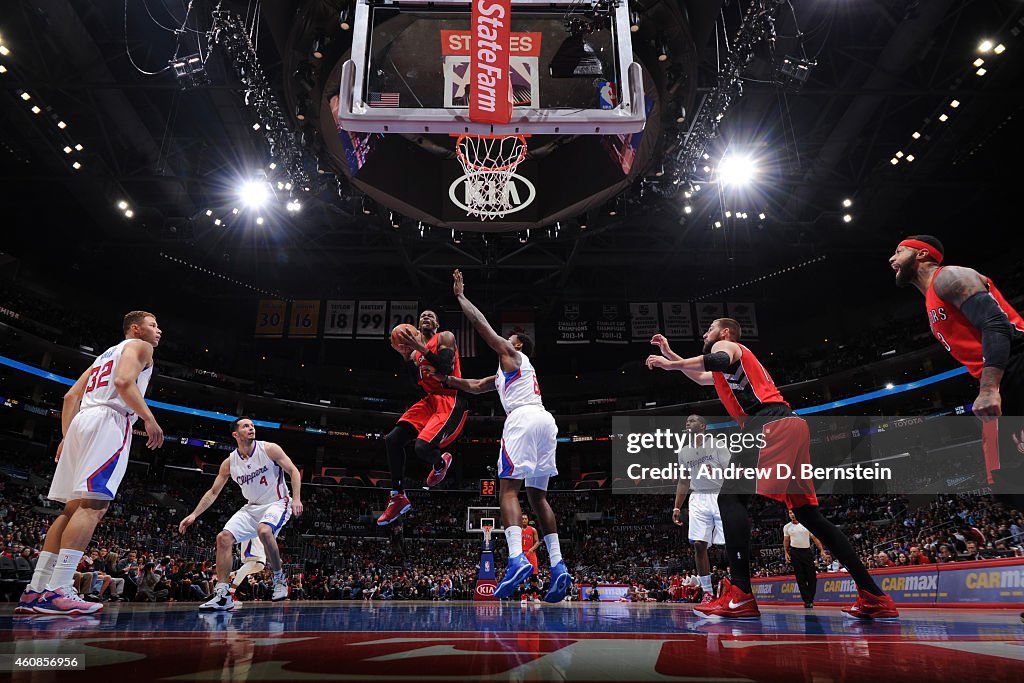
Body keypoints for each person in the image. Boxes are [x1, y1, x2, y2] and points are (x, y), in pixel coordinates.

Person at [647, 320, 897, 620]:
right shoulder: (730, 374)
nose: (705, 334)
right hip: (790, 424)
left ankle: (741, 594)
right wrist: (670, 357)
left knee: (729, 497)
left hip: (766, 422)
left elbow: (717, 359)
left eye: (710, 329)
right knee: (808, 515)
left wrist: (672, 363)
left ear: (724, 332)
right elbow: (701, 376)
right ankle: (874, 595)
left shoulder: (727, 347)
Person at [433, 269, 571, 603]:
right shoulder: (506, 373)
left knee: (507, 491)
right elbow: (477, 386)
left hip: (522, 419)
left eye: (512, 337)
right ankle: (559, 565)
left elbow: (482, 326)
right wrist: (447, 380)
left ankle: (515, 559)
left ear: (518, 344)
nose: (507, 338)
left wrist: (461, 297)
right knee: (538, 498)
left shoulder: (512, 354)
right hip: (545, 421)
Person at [19, 311, 164, 615]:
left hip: (81, 423)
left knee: (71, 508)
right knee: (93, 506)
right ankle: (59, 588)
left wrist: (65, 436)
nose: (158, 331)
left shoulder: (102, 357)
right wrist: (149, 419)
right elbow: (125, 382)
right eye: (153, 325)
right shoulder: (141, 347)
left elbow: (70, 397)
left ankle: (36, 588)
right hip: (108, 423)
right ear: (135, 329)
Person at [889, 235, 1024, 509]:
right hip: (1002, 376)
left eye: (899, 251)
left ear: (921, 254)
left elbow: (995, 325)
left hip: (1016, 363)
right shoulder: (930, 298)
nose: (891, 259)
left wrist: (989, 389)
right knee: (1007, 485)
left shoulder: (949, 276)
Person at [178, 417, 303, 610]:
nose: (251, 428)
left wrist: (296, 498)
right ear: (236, 434)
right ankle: (222, 595)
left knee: (264, 531)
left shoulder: (269, 449)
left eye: (252, 425)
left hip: (277, 502)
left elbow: (294, 471)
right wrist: (194, 514)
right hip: (252, 507)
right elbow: (212, 493)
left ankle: (279, 580)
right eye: (246, 426)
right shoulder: (229, 463)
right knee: (223, 538)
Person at [379, 310, 469, 525]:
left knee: (422, 448)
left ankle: (440, 463)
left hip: (451, 398)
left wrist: (419, 348)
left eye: (431, 315)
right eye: (422, 316)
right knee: (392, 439)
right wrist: (405, 357)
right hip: (430, 401)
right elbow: (416, 383)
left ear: (437, 323)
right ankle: (398, 496)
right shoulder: (414, 355)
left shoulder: (445, 337)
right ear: (418, 327)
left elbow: (445, 367)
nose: (426, 317)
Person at [671, 412, 731, 607]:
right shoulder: (684, 452)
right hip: (697, 497)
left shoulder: (717, 444)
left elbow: (732, 470)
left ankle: (734, 585)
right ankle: (707, 592)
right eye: (687, 420)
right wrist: (677, 507)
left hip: (719, 493)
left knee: (727, 544)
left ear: (703, 425)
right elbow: (683, 480)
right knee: (698, 544)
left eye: (693, 420)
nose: (688, 422)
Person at [783, 509, 825, 608]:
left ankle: (810, 598)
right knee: (800, 578)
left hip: (807, 552)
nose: (792, 514)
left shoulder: (806, 524)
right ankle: (807, 601)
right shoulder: (787, 527)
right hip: (795, 552)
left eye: (793, 512)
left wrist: (822, 550)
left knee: (812, 578)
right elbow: (786, 541)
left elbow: (815, 538)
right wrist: (786, 552)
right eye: (790, 513)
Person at [229, 536, 267, 601]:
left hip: (260, 537)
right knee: (252, 560)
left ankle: (232, 574)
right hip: (251, 534)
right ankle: (231, 592)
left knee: (260, 565)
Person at [520, 512, 542, 601]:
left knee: (534, 575)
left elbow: (537, 542)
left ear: (528, 520)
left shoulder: (533, 530)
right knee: (521, 575)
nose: (524, 520)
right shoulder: (517, 530)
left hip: (531, 553)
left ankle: (534, 594)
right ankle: (523, 595)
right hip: (521, 554)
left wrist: (531, 549)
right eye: (522, 519)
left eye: (525, 518)